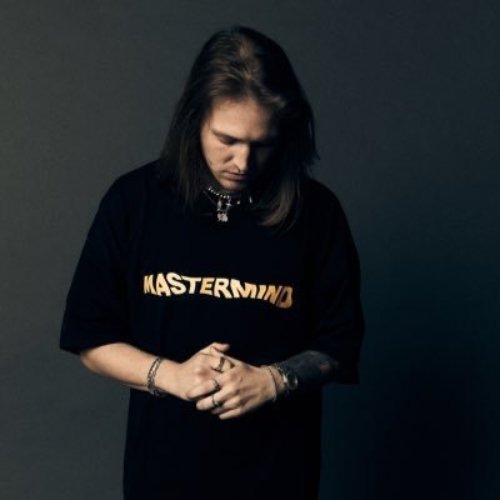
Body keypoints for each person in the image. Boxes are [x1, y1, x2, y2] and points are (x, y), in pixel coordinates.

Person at [59, 25, 364, 500]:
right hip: (161, 475)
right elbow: (90, 338)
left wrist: (273, 381)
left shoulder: (317, 212)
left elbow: (340, 343)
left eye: (261, 143)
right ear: (195, 119)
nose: (243, 161)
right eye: (227, 139)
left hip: (278, 475)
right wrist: (173, 376)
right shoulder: (133, 201)